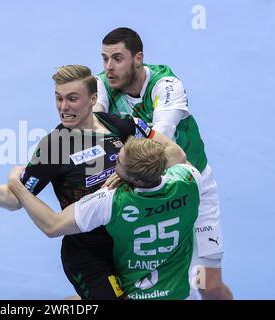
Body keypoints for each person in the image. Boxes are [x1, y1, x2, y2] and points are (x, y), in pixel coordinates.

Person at [0, 65, 185, 299]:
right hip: (88, 253)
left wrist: (127, 173)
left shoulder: (122, 125)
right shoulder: (53, 147)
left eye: (72, 98)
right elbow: (14, 199)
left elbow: (176, 155)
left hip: (131, 245)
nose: (63, 107)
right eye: (58, 98)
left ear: (92, 99)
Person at [94, 27, 232, 299]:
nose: (109, 68)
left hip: (193, 187)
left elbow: (160, 144)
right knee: (128, 288)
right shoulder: (103, 84)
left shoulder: (166, 86)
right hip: (147, 194)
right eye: (104, 59)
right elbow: (92, 126)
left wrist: (121, 168)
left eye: (117, 59)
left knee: (208, 283)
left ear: (138, 59)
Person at [7, 137, 200, 300]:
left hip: (135, 293)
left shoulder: (112, 200)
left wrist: (18, 186)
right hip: (182, 291)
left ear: (137, 180)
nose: (114, 163)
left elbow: (52, 225)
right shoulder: (189, 180)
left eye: (118, 164)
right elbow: (177, 154)